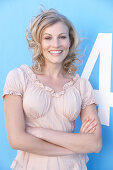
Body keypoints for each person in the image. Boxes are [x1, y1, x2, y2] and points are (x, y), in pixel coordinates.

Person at [3, 8, 102, 170]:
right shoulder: (19, 77)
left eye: (62, 37)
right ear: (39, 42)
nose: (56, 44)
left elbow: (95, 143)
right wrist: (74, 146)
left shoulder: (81, 85)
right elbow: (17, 139)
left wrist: (40, 132)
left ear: (69, 41)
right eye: (47, 38)